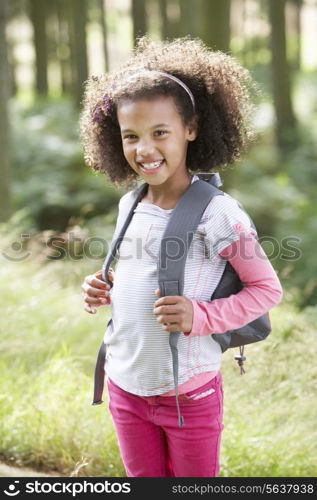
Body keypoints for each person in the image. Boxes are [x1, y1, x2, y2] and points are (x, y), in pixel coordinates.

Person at [79, 37, 283, 477]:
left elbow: (267, 289)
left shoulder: (218, 212)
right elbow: (137, 275)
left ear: (191, 128)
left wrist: (200, 316)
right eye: (130, 136)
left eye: (160, 133)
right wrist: (102, 286)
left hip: (188, 394)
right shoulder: (129, 204)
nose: (144, 150)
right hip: (125, 386)